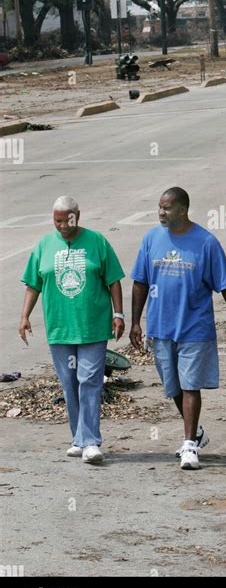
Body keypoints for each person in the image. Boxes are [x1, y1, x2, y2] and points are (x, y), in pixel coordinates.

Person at [130, 187, 226, 470]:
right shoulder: (151, 239)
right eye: (159, 207)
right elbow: (140, 282)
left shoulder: (206, 243)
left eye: (167, 207)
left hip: (195, 327)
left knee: (190, 385)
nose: (161, 212)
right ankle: (195, 432)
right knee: (174, 388)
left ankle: (189, 446)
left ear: (183, 210)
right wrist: (136, 321)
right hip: (161, 329)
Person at [18, 196, 125, 464]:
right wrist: (24, 316)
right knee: (69, 383)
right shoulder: (43, 245)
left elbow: (113, 280)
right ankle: (78, 438)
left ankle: (90, 441)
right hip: (60, 328)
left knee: (89, 381)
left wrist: (118, 313)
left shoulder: (97, 241)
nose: (63, 225)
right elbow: (33, 284)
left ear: (78, 215)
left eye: (68, 219)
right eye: (57, 220)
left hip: (92, 327)